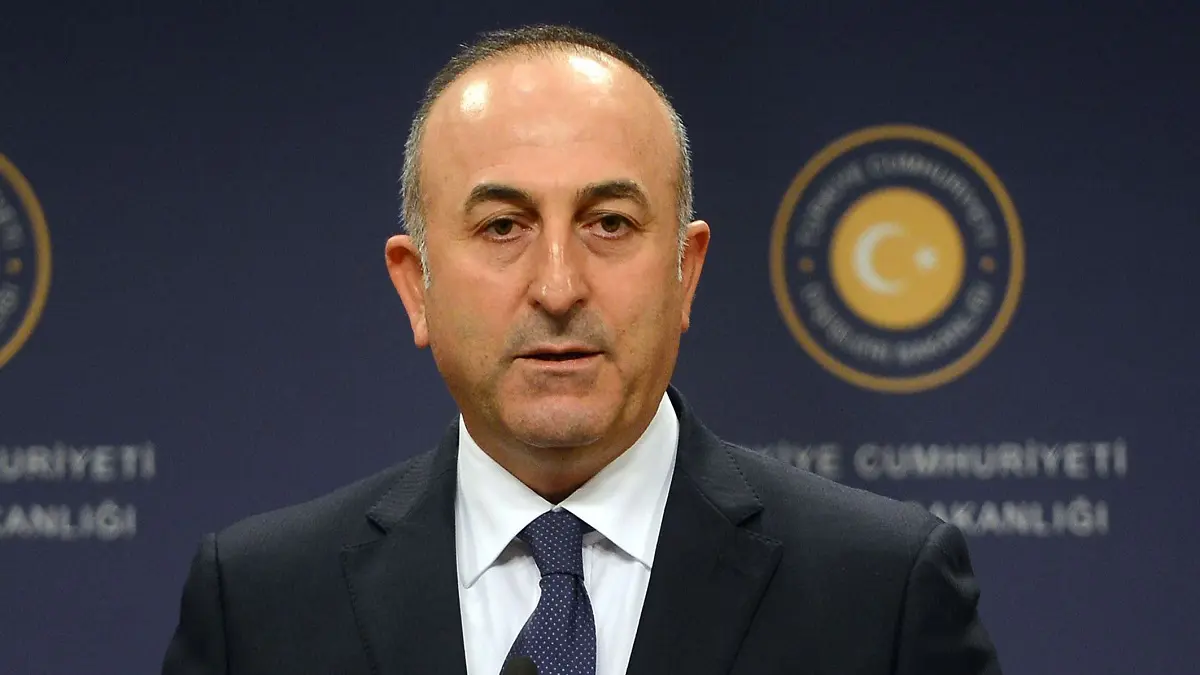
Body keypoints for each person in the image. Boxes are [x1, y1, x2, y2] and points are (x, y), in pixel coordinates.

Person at [162, 24, 1002, 675]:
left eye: (610, 223)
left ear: (686, 272)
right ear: (416, 286)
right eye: (503, 226)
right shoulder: (260, 603)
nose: (559, 286)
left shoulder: (881, 591)